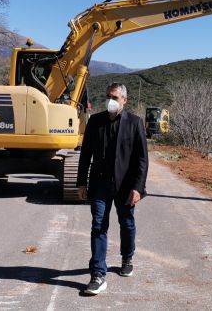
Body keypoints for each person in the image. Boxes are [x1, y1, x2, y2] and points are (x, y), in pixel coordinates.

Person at [77, 82, 149, 295]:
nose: (111, 100)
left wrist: (138, 188)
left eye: (115, 97)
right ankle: (98, 274)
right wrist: (81, 182)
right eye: (109, 96)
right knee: (98, 224)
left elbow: (142, 160)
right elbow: (85, 155)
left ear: (124, 101)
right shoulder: (95, 122)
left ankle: (127, 256)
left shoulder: (135, 123)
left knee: (126, 223)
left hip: (125, 186)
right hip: (100, 184)